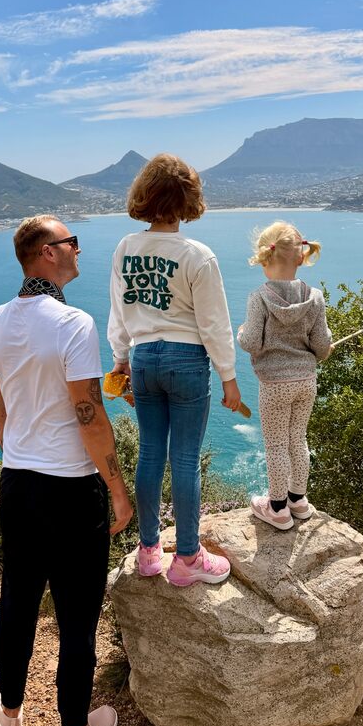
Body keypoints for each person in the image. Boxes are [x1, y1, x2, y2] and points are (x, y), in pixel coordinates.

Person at [0, 214, 133, 726]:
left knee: (17, 598)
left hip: (17, 483)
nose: (78, 250)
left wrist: (16, 454)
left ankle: (11, 710)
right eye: (71, 242)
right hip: (71, 489)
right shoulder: (73, 323)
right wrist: (117, 489)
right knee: (76, 612)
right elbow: (89, 417)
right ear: (48, 253)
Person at [107, 154, 241, 587]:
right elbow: (214, 323)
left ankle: (148, 552)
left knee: (150, 453)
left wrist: (120, 361)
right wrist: (229, 377)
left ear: (144, 193)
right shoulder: (197, 256)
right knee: (183, 459)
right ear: (189, 199)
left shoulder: (126, 248)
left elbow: (119, 311)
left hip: (144, 359)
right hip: (186, 361)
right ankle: (186, 559)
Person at [237, 220, 333, 530]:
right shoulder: (314, 297)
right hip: (306, 382)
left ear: (265, 259)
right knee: (298, 440)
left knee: (276, 446)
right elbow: (322, 346)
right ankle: (299, 500)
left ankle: (277, 507)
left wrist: (240, 333)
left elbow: (251, 342)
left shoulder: (259, 298)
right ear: (301, 257)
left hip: (275, 385)